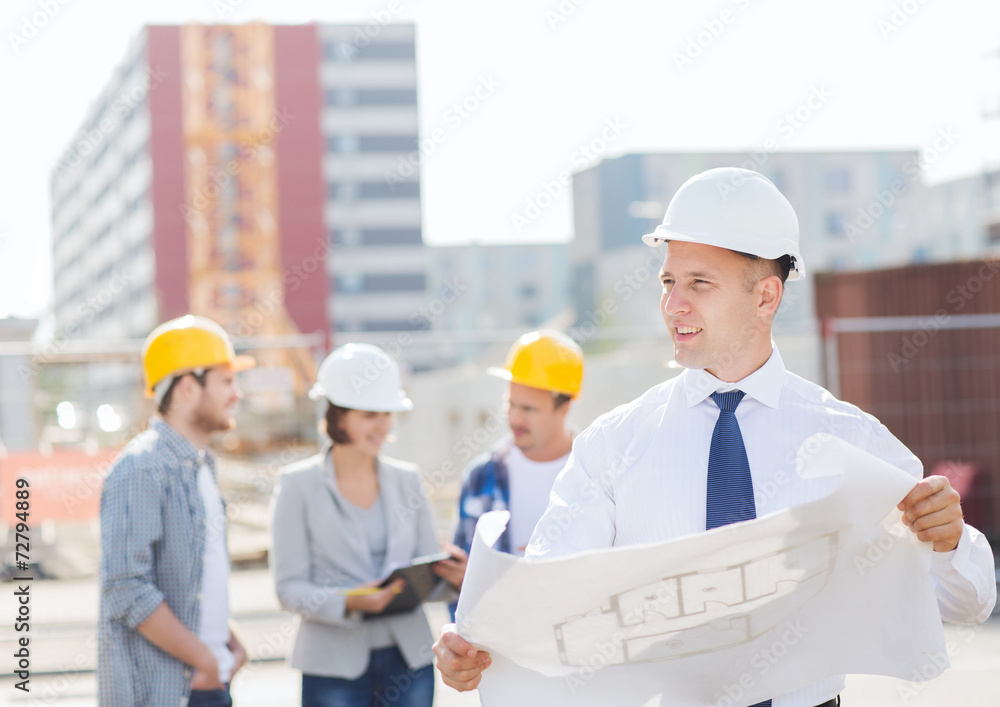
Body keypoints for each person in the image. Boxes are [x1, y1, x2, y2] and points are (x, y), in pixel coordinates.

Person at [433, 168, 997, 706]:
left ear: (766, 298)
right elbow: (551, 591)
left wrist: (950, 543)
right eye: (669, 281)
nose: (674, 303)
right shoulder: (615, 444)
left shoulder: (849, 440)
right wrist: (474, 641)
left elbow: (969, 603)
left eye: (700, 283)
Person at [270, 343, 457, 707]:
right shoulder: (297, 486)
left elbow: (423, 577)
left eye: (387, 414)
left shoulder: (408, 480)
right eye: (371, 414)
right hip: (332, 666)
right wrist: (355, 602)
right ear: (337, 416)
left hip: (409, 661)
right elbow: (289, 588)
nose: (384, 425)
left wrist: (452, 577)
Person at [98, 315, 254, 707]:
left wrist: (228, 642)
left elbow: (193, 579)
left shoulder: (201, 465)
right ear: (188, 387)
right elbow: (126, 588)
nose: (237, 394)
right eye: (226, 381)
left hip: (206, 681)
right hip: (170, 692)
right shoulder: (142, 468)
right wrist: (203, 659)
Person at [434, 330, 584, 595]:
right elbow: (460, 589)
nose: (515, 418)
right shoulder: (482, 477)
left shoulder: (595, 473)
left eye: (528, 409)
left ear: (564, 406)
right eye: (510, 404)